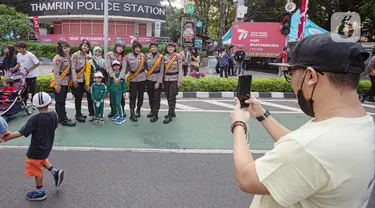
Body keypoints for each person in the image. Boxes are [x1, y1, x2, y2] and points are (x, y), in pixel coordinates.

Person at [230, 33, 375, 208]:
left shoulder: (311, 147)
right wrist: (262, 115)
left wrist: (239, 125)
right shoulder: (362, 125)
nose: (293, 84)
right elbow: (298, 147)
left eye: (292, 74)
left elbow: (246, 179)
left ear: (311, 76)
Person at [2, 92, 65, 201]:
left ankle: (40, 192)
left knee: (36, 169)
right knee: (41, 160)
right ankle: (55, 172)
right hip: (47, 145)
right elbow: (54, 127)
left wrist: (8, 137)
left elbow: (22, 132)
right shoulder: (54, 115)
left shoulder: (35, 119)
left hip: (36, 149)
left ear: (34, 105)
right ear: (50, 102)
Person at [50, 40, 76, 127]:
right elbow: (56, 72)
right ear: (60, 49)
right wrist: (57, 84)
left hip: (66, 81)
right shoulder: (58, 58)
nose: (67, 49)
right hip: (60, 82)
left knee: (61, 101)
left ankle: (61, 118)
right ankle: (64, 119)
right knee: (60, 102)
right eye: (64, 48)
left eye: (67, 47)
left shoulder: (67, 56)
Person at [71, 39, 92, 123]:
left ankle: (79, 113)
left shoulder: (86, 56)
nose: (85, 47)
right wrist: (74, 80)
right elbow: (72, 68)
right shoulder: (75, 55)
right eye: (84, 45)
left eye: (87, 46)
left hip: (83, 79)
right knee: (78, 97)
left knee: (81, 97)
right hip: (77, 79)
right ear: (81, 46)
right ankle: (78, 115)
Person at [125, 40, 147, 122]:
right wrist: (120, 76)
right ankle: (132, 113)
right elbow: (126, 69)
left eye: (139, 48)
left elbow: (146, 67)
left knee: (141, 95)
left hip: (142, 78)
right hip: (133, 79)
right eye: (136, 48)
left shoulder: (143, 56)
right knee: (132, 96)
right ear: (133, 48)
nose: (138, 49)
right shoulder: (128, 57)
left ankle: (138, 110)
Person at [162, 42, 183, 124]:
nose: (170, 49)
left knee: (172, 97)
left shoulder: (178, 57)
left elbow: (181, 69)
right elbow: (163, 70)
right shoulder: (164, 57)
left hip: (174, 79)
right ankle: (172, 111)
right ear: (166, 48)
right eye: (168, 47)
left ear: (174, 48)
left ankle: (169, 115)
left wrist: (180, 81)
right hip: (166, 79)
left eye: (172, 47)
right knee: (167, 96)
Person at [106, 40, 127, 119]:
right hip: (112, 77)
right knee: (112, 98)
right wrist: (114, 77)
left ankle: (122, 110)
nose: (120, 49)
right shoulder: (109, 55)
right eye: (119, 47)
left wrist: (119, 78)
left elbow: (124, 67)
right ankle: (113, 111)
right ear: (116, 47)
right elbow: (108, 66)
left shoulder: (123, 56)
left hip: (120, 77)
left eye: (122, 47)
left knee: (120, 97)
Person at [145, 41, 164, 122]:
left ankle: (156, 114)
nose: (153, 48)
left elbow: (162, 70)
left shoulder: (161, 57)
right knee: (150, 96)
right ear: (150, 48)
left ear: (157, 48)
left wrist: (158, 81)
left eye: (155, 47)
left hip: (157, 79)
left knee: (156, 97)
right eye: (152, 47)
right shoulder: (147, 56)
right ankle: (152, 111)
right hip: (149, 79)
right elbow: (144, 67)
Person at [86, 46, 106, 122]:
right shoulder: (90, 61)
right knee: (91, 98)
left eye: (99, 51)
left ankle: (100, 114)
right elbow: (87, 73)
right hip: (92, 82)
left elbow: (106, 72)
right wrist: (87, 84)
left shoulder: (103, 61)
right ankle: (91, 114)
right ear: (93, 52)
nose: (98, 53)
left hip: (101, 83)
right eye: (96, 51)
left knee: (100, 99)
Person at [108, 60, 126, 125]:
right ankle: (116, 114)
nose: (116, 67)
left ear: (119, 66)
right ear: (112, 67)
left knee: (118, 103)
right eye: (114, 66)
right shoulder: (111, 75)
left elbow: (124, 84)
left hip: (119, 91)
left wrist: (124, 92)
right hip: (112, 91)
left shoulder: (122, 74)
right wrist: (108, 91)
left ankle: (121, 116)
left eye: (117, 65)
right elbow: (109, 83)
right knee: (113, 103)